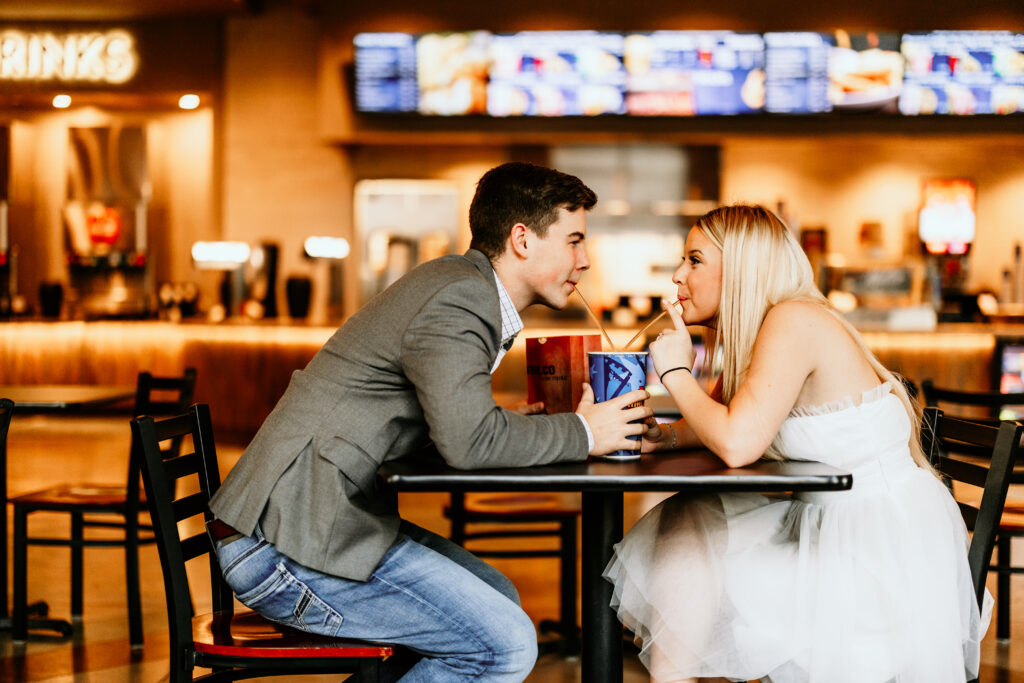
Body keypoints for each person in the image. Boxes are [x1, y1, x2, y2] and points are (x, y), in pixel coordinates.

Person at [208, 161, 652, 682]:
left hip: (305, 523)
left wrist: (506, 425)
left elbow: (458, 430)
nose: (585, 260)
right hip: (284, 546)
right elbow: (469, 444)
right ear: (523, 239)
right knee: (503, 645)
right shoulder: (461, 300)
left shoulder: (461, 285)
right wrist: (584, 432)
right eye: (575, 240)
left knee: (498, 601)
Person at [604, 205, 986, 683]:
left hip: (877, 552)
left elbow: (737, 445)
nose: (679, 275)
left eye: (695, 260)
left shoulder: (792, 321)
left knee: (692, 532)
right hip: (830, 524)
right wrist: (668, 436)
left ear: (742, 267)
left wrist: (677, 372)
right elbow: (725, 420)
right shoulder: (762, 331)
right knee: (690, 515)